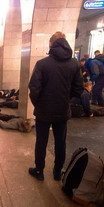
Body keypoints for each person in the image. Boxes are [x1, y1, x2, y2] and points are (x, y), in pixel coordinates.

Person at [28, 31, 83, 181]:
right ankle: (57, 172)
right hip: (62, 111)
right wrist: (66, 99)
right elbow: (79, 89)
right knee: (60, 142)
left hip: (43, 111)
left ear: (51, 44)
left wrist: (38, 104)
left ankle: (39, 171)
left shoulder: (42, 64)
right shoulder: (74, 64)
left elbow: (34, 89)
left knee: (41, 141)